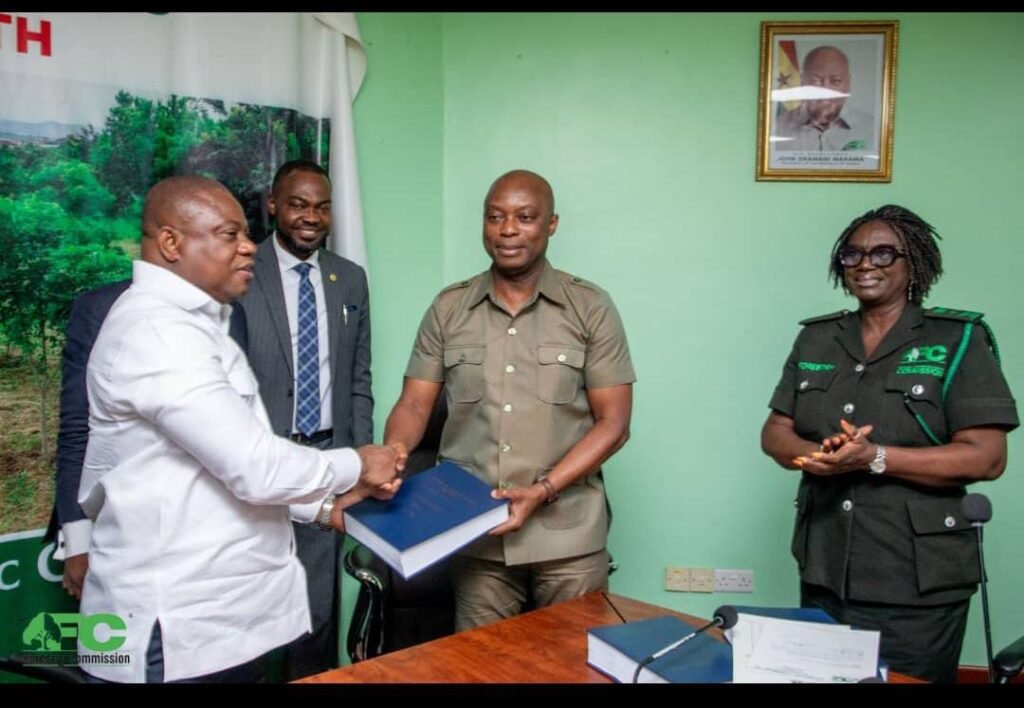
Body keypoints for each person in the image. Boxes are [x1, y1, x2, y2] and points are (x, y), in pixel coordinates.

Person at [77, 175, 399, 683]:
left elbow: (211, 466)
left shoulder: (199, 325)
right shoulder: (160, 332)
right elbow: (254, 467)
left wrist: (322, 508)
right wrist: (361, 462)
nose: (249, 246)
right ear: (170, 242)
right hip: (172, 630)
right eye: (230, 235)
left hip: (211, 626)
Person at [760, 204, 1018, 683]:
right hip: (825, 567)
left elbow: (988, 456)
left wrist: (875, 457)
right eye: (852, 254)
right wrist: (812, 457)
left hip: (916, 576)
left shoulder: (958, 338)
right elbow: (774, 432)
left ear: (913, 263)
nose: (865, 264)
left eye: (883, 253)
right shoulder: (817, 339)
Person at [383, 169, 635, 631]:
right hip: (478, 534)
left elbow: (614, 424)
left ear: (551, 224)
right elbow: (415, 404)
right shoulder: (449, 307)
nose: (508, 229)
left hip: (569, 539)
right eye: (495, 217)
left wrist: (542, 490)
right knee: (480, 668)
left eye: (525, 217)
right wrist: (394, 454)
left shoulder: (590, 307)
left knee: (573, 668)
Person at [234, 159, 373, 679]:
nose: (310, 216)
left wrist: (362, 463)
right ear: (273, 205)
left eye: (321, 206)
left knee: (315, 618)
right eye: (297, 204)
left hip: (327, 466)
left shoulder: (349, 280)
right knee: (248, 617)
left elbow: (359, 379)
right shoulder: (242, 271)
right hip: (257, 466)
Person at [46, 280, 247, 600]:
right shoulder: (99, 306)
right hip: (118, 535)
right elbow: (76, 430)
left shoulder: (228, 312)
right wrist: (78, 542)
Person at [774, 45, 873, 152]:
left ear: (848, 84)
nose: (825, 91)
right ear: (803, 83)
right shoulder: (776, 127)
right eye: (816, 81)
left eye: (835, 81)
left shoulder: (872, 128)